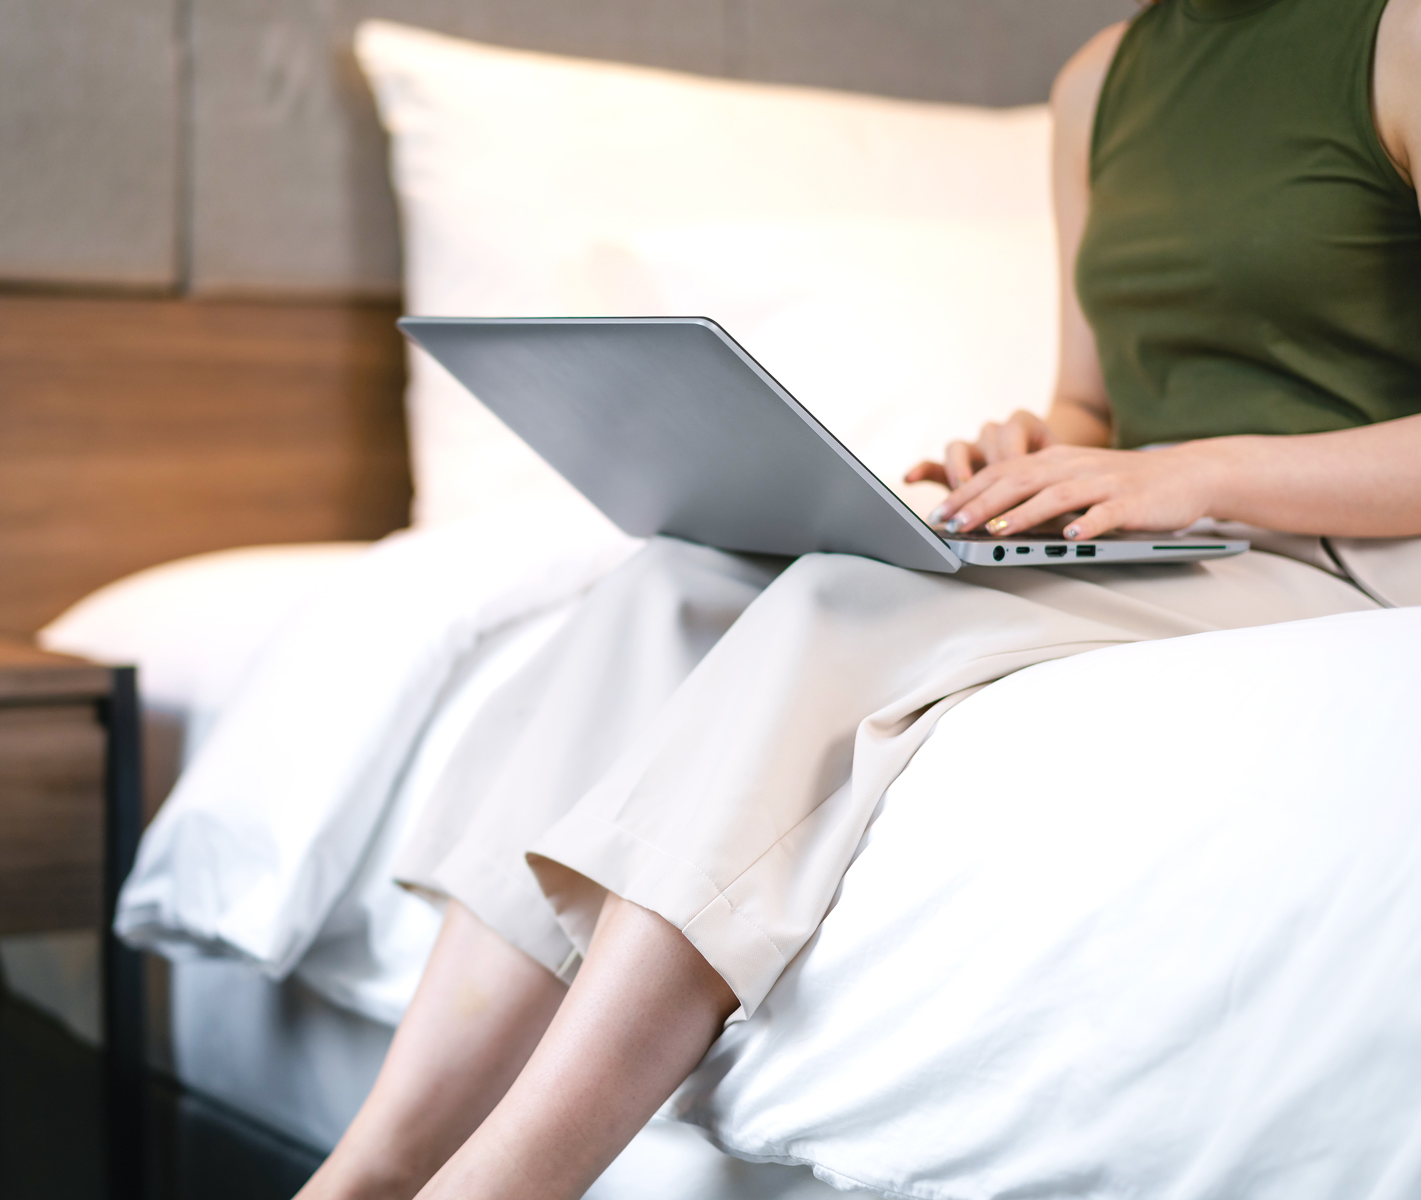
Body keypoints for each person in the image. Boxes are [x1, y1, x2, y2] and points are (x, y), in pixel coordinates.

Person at [300, 1, 1421, 1196]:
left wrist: (1190, 469)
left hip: (1347, 555)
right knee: (670, 583)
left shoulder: (1393, 35)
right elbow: (1092, 402)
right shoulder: (1103, 76)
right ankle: (375, 1165)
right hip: (1164, 532)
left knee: (838, 606)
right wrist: (1036, 453)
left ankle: (505, 1184)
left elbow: (1178, 451)